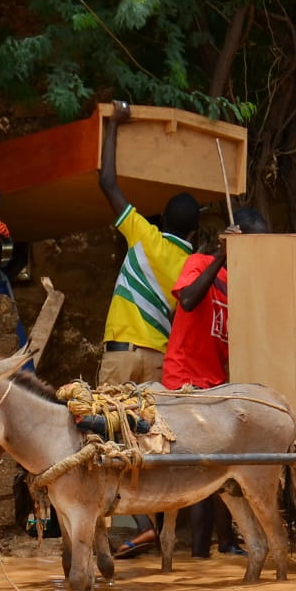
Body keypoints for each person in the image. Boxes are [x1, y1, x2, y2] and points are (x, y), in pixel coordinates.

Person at [97, 100, 200, 559]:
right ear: (194, 233)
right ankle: (162, 530)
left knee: (107, 437)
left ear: (162, 219)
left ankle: (142, 526)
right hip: (159, 361)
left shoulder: (144, 236)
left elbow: (107, 182)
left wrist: (114, 125)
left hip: (122, 354)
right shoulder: (192, 265)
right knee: (152, 442)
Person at [167, 207, 272, 557]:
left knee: (220, 467)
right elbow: (189, 298)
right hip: (185, 381)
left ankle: (224, 544)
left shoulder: (243, 284)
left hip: (217, 385)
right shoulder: (198, 262)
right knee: (202, 468)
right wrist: (222, 256)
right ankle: (199, 554)